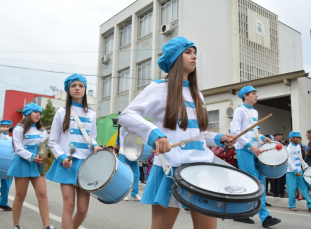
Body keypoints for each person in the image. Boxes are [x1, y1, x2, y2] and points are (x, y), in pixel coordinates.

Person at [118, 37, 235, 229]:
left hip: (202, 168)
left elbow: (196, 133)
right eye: (188, 52)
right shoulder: (158, 89)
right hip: (171, 169)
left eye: (195, 52)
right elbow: (127, 115)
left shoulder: (198, 95)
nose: (194, 56)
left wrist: (219, 138)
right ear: (174, 59)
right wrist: (155, 134)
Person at [46, 74, 102, 229]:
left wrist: (96, 145)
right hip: (67, 164)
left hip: (85, 166)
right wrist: (62, 158)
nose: (77, 88)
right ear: (68, 89)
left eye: (81, 86)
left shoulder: (92, 113)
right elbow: (52, 141)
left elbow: (92, 138)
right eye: (73, 86)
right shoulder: (61, 112)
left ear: (85, 89)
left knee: (83, 210)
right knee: (69, 206)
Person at [230, 85, 281, 227]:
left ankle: (241, 213)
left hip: (256, 149)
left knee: (260, 182)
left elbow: (253, 132)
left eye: (256, 93)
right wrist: (250, 146)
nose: (256, 96)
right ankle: (264, 217)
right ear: (245, 96)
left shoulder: (255, 111)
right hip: (244, 150)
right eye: (253, 93)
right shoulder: (239, 111)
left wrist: (263, 137)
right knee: (254, 183)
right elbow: (235, 132)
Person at [7, 104, 55, 229]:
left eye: (40, 112)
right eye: (35, 112)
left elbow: (43, 147)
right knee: (20, 195)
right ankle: (15, 225)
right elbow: (18, 148)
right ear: (27, 114)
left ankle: (47, 226)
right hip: (23, 163)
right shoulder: (18, 129)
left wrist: (44, 157)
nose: (38, 114)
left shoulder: (42, 131)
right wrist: (31, 157)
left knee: (42, 194)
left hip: (38, 164)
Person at [286, 131, 311, 212]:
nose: (299, 139)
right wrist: (295, 170)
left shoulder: (298, 146)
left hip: (299, 171)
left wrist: (305, 167)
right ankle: (292, 205)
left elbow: (300, 159)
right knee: (292, 189)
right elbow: (289, 161)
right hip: (291, 172)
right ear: (292, 138)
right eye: (297, 137)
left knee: (304, 188)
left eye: (299, 137)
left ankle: (310, 206)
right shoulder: (289, 148)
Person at [118, 128, 142, 201]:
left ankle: (134, 193)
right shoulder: (123, 129)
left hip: (132, 154)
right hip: (123, 154)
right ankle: (122, 193)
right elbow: (122, 129)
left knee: (136, 174)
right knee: (123, 174)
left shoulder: (135, 131)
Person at [271, 131, 286, 198]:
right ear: (275, 137)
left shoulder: (283, 144)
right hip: (274, 163)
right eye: (278, 135)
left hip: (282, 163)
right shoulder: (272, 143)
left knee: (282, 178)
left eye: (281, 135)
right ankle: (275, 192)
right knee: (274, 178)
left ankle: (281, 192)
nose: (280, 136)